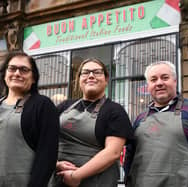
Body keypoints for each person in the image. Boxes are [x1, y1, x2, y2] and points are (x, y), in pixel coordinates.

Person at [0, 51, 59, 187]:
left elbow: (46, 159)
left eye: (24, 70)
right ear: (5, 75)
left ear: (33, 78)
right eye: (12, 68)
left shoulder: (42, 106)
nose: (17, 73)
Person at [124, 61, 188, 187]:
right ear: (148, 85)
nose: (159, 83)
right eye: (153, 79)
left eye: (165, 78)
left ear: (175, 81)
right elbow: (129, 157)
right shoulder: (140, 119)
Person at [53, 58, 133, 187]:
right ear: (79, 80)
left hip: (97, 182)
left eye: (97, 72)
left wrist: (76, 176)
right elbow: (44, 141)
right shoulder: (63, 107)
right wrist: (55, 164)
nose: (91, 76)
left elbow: (112, 152)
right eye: (85, 72)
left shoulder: (114, 111)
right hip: (58, 180)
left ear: (106, 80)